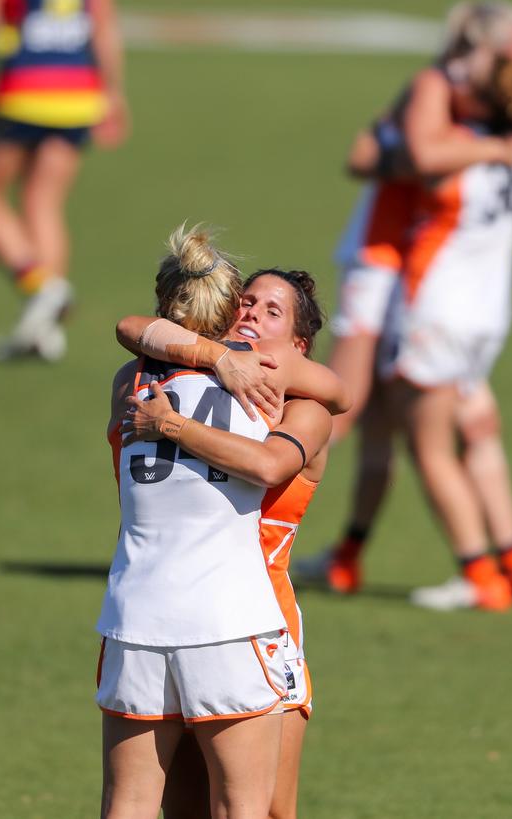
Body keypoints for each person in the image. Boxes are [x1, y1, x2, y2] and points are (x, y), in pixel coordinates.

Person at [296, 0, 512, 607]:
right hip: (386, 265)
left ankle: (486, 571)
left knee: (373, 419)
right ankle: (350, 554)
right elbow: (374, 158)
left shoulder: (492, 128)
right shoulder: (442, 93)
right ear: (478, 52)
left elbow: (418, 160)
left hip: (427, 294)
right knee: (370, 417)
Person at [98, 226, 349, 819]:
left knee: (270, 810)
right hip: (217, 614)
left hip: (264, 619)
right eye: (245, 302)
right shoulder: (180, 372)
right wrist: (217, 357)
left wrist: (177, 421)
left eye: (273, 311)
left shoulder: (294, 400)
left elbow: (324, 404)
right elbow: (134, 328)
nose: (253, 315)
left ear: (299, 344)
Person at [0, 0, 129, 361]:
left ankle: (41, 289)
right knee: (44, 200)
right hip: (77, 94)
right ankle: (43, 331)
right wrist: (113, 92)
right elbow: (103, 27)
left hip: (23, 90)